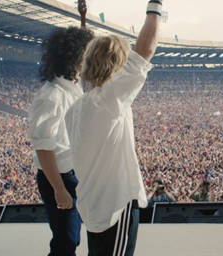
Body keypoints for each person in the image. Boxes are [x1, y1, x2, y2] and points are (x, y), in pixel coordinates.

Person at [64, 1, 163, 255]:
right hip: (115, 208)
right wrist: (155, 6)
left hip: (93, 205)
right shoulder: (108, 101)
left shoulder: (76, 108)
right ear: (116, 65)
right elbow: (145, 51)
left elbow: (89, 64)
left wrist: (84, 22)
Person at [27, 26, 93, 256]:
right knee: (65, 241)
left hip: (73, 173)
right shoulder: (51, 96)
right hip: (58, 177)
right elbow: (43, 148)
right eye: (87, 54)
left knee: (72, 237)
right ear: (74, 58)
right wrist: (59, 189)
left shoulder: (72, 86)